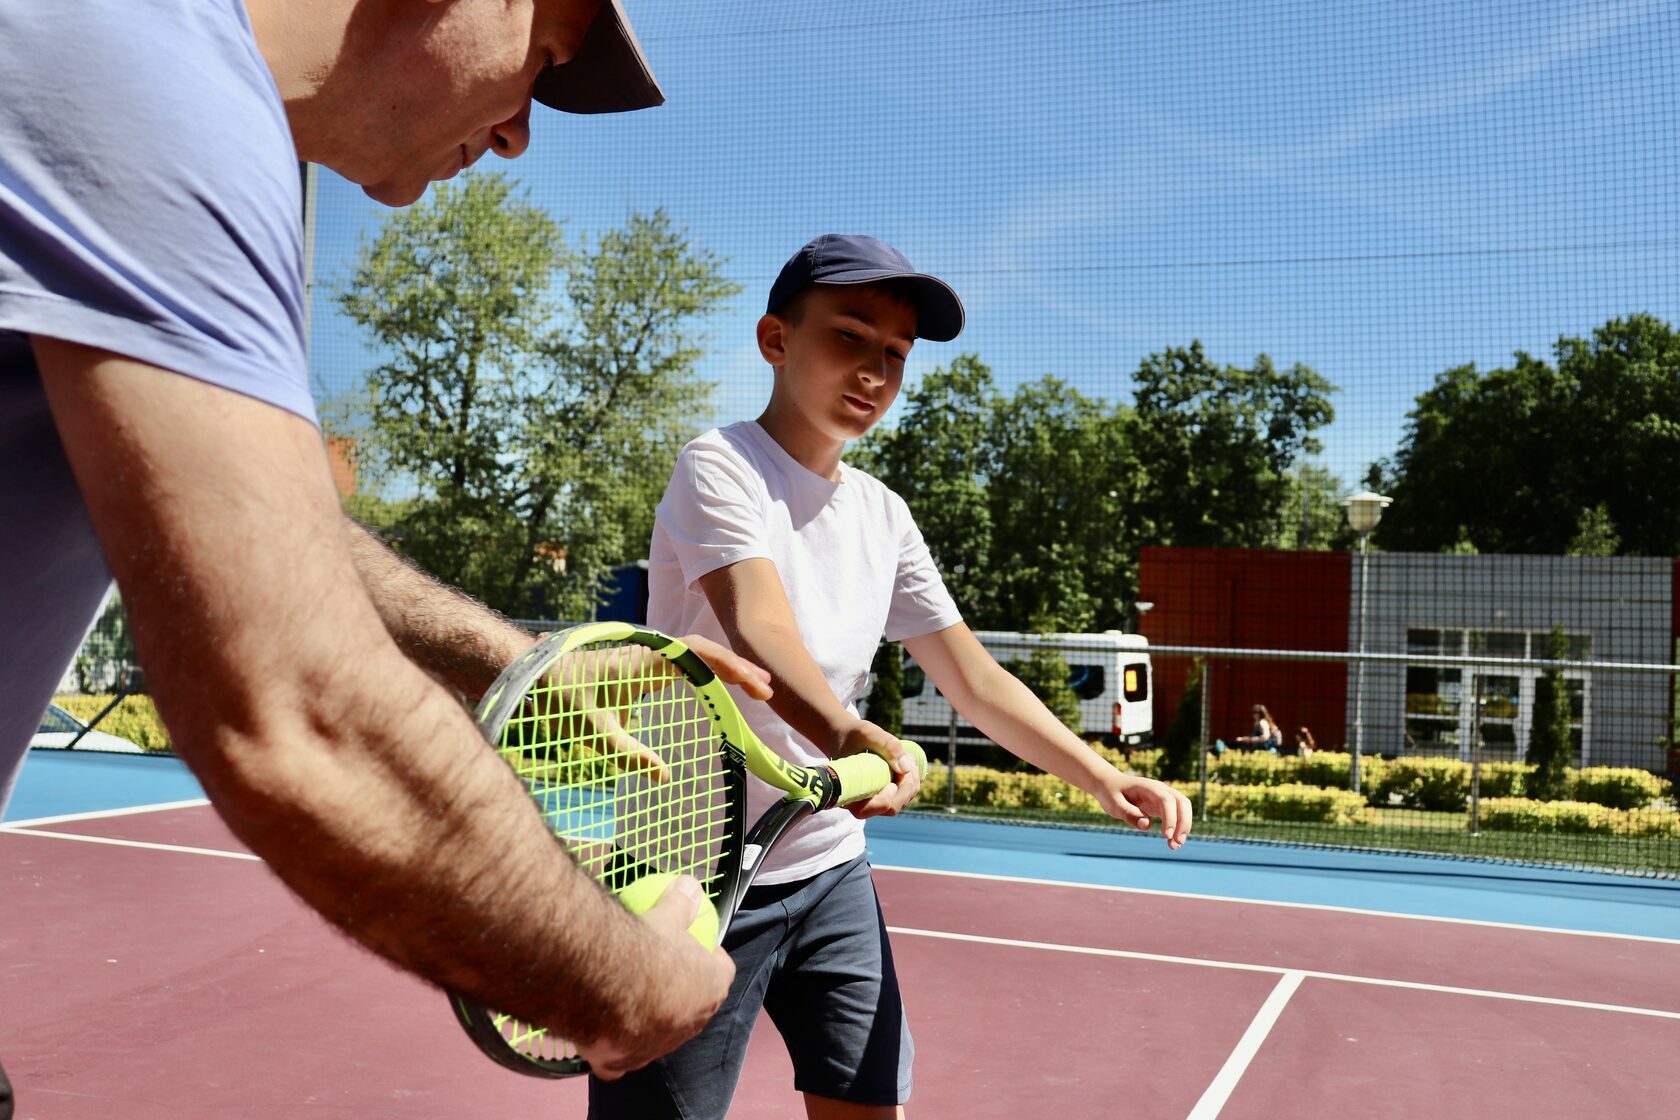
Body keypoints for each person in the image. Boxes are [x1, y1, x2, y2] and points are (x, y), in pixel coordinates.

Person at [0, 1, 753, 1110]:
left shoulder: (140, 68)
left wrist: (516, 661)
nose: (516, 138)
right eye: (540, 63)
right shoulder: (153, 82)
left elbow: (260, 528)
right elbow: (303, 718)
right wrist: (635, 985)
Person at [594, 234, 1195, 1119]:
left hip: (828, 869)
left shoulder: (884, 514)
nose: (875, 370)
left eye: (895, 355)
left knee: (870, 1109)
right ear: (776, 341)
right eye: (849, 337)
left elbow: (974, 679)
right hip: (690, 874)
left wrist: (1102, 775)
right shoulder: (719, 466)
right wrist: (845, 735)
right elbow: (758, 625)